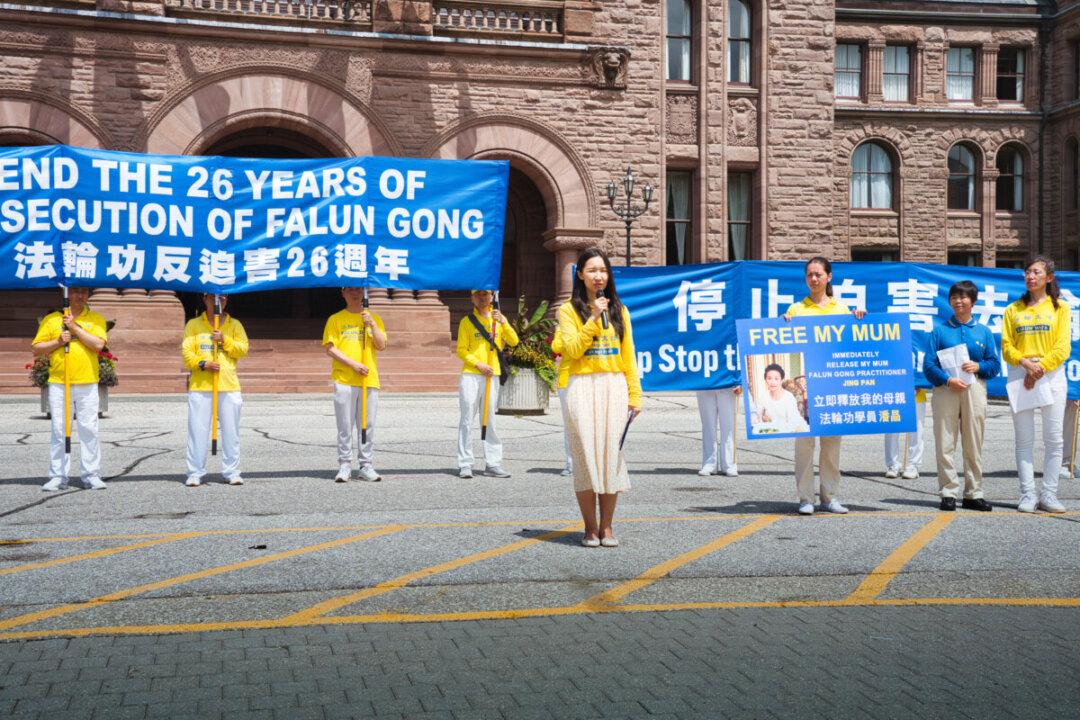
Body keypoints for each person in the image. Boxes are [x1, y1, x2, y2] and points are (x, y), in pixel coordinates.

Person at [557, 247, 642, 548]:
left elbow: (628, 356)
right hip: (581, 385)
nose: (598, 276)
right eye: (592, 270)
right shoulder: (568, 311)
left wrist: (635, 394)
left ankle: (607, 527)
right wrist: (593, 318)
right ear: (580, 274)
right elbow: (572, 349)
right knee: (585, 457)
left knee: (610, 456)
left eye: (603, 270)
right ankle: (589, 528)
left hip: (613, 385)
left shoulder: (620, 311)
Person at [784, 256, 865, 515]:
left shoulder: (842, 309)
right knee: (804, 445)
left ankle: (829, 497)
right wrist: (782, 325)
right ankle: (806, 498)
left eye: (818, 274)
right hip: (805, 387)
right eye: (809, 274)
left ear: (829, 277)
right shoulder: (796, 310)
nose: (814, 279)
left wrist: (858, 320)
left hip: (832, 385)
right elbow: (786, 347)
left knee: (831, 444)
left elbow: (851, 345)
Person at [1002, 256, 1072, 513]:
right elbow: (1007, 346)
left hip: (1051, 376)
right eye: (1027, 272)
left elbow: (1063, 346)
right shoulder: (1013, 310)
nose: (1030, 276)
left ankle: (1049, 494)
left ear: (1049, 278)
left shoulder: (1061, 308)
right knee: (1024, 439)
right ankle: (1027, 494)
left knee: (1054, 440)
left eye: (1036, 272)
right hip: (1020, 374)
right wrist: (1027, 365)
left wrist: (1040, 367)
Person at [923, 281, 1000, 512]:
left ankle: (973, 493)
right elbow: (928, 365)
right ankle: (948, 492)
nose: (958, 301)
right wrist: (947, 380)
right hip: (946, 389)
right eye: (954, 297)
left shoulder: (983, 332)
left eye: (963, 297)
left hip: (974, 388)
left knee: (973, 442)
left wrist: (978, 366)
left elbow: (994, 364)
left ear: (973, 302)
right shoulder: (940, 331)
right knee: (945, 441)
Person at [33, 286, 108, 491]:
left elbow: (98, 345)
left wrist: (74, 329)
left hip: (87, 382)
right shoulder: (52, 320)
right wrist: (58, 341)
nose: (79, 295)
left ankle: (91, 474)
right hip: (59, 382)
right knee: (59, 429)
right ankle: (58, 475)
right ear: (67, 294)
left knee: (89, 428)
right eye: (75, 291)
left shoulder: (96, 319)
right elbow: (36, 349)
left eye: (84, 292)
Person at [181, 293, 249, 487]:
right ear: (205, 299)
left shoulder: (234, 324)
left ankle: (231, 471)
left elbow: (243, 349)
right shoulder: (193, 325)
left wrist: (224, 340)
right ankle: (195, 472)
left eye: (223, 297)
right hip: (201, 386)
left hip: (228, 384)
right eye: (213, 297)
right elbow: (187, 354)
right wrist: (203, 363)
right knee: (197, 430)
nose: (218, 301)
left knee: (231, 431)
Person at [323, 287, 387, 483]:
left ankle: (366, 465)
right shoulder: (335, 319)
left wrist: (372, 325)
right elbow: (330, 349)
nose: (354, 293)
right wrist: (353, 364)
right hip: (345, 380)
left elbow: (381, 344)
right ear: (342, 293)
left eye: (358, 289)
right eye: (349, 290)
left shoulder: (372, 317)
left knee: (367, 425)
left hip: (369, 380)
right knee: (344, 425)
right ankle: (344, 465)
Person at [456, 289, 519, 479]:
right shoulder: (467, 322)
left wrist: (504, 322)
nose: (482, 298)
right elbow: (461, 350)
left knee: (490, 419)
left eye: (486, 295)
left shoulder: (498, 320)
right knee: (467, 418)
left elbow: (514, 341)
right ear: (472, 298)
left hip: (493, 374)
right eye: (478, 295)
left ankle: (493, 463)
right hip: (472, 374)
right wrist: (478, 364)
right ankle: (465, 464)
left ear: (492, 297)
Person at [750, 364, 807, 434]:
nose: (773, 382)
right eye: (769, 378)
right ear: (765, 380)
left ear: (781, 380)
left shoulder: (789, 397)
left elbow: (792, 423)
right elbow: (758, 414)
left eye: (776, 379)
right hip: (775, 429)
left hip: (794, 429)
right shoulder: (763, 396)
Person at [883, 390, 927, 479]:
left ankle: (913, 465)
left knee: (916, 429)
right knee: (891, 426)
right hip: (892, 391)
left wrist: (918, 384)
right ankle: (893, 464)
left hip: (917, 392)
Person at [696, 387, 739, 476]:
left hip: (727, 379)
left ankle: (729, 464)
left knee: (729, 424)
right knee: (708, 423)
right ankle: (709, 463)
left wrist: (739, 380)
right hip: (704, 381)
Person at [552, 337, 573, 477]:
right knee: (569, 425)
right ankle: (570, 464)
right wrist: (561, 327)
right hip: (566, 381)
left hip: (587, 378)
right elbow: (556, 347)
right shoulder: (564, 326)